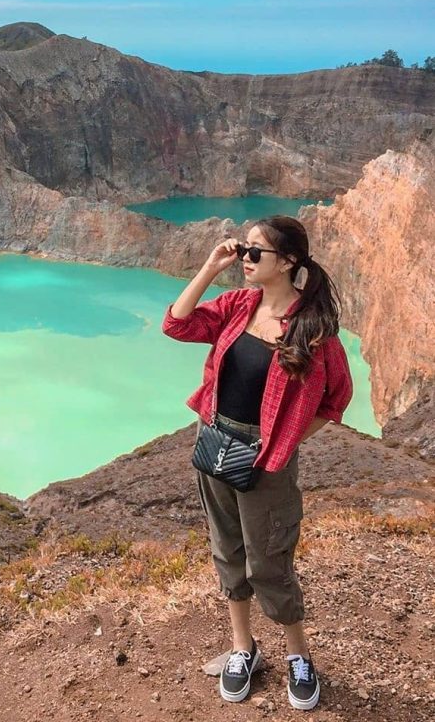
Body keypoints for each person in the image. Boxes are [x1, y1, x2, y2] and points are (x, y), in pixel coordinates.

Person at [161, 215, 353, 711]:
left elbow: (336, 399)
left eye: (255, 252)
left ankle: (298, 657)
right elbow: (177, 324)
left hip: (266, 461)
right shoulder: (235, 305)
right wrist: (210, 265)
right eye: (243, 249)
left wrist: (286, 440)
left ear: (288, 262)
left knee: (270, 561)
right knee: (228, 551)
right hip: (215, 443)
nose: (244, 258)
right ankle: (243, 647)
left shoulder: (313, 329)